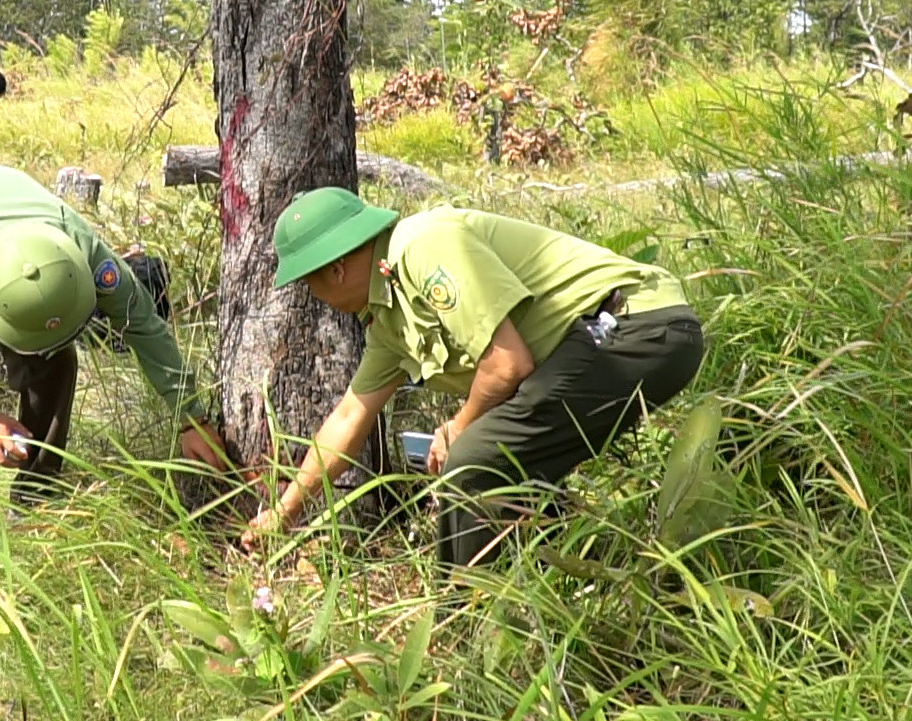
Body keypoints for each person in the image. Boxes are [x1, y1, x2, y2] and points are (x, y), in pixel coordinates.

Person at [245, 187, 704, 568]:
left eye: (309, 283)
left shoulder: (423, 245)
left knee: (473, 457)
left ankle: (461, 616)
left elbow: (507, 365)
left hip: (635, 327)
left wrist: (459, 425)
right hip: (603, 344)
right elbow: (350, 417)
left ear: (336, 267)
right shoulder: (388, 319)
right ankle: (581, 581)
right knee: (509, 464)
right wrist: (286, 511)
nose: (313, 296)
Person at [0, 163, 228, 580]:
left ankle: (34, 506)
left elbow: (143, 324)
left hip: (20, 227)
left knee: (56, 362)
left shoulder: (83, 251)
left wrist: (190, 416)